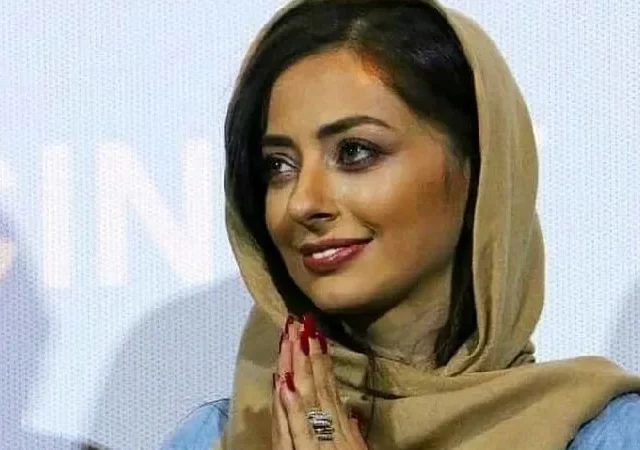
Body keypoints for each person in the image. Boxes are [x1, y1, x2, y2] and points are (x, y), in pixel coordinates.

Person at [162, 0, 640, 448]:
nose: (302, 202)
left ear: (479, 169)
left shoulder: (607, 435)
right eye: (279, 165)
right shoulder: (214, 438)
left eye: (355, 152)